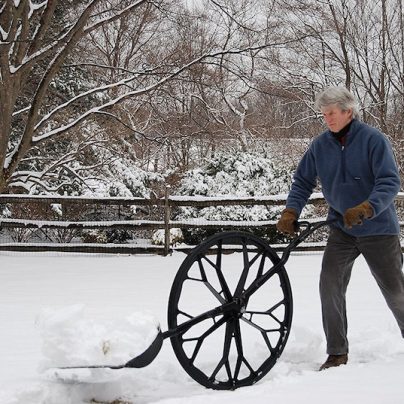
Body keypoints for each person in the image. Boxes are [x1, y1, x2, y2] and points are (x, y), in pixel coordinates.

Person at [276, 86, 404, 371]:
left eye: (332, 113)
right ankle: (337, 353)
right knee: (330, 284)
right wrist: (291, 211)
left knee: (395, 291)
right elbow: (302, 181)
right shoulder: (320, 146)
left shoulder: (373, 140)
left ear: (348, 111)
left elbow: (389, 181)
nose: (327, 119)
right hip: (343, 229)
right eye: (324, 115)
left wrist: (367, 208)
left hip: (378, 229)